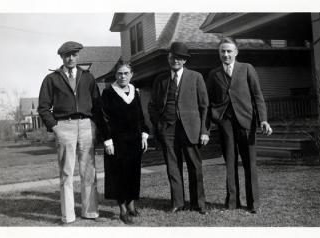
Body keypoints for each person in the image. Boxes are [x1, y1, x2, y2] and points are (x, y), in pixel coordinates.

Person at [206, 37, 273, 214]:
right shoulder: (214, 74)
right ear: (219, 53)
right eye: (222, 51)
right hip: (225, 122)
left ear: (236, 52)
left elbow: (257, 95)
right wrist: (212, 119)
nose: (226, 54)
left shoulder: (247, 69)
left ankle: (253, 203)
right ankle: (232, 202)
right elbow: (208, 101)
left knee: (250, 163)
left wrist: (263, 120)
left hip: (246, 121)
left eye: (229, 51)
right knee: (230, 162)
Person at [38, 41, 100, 224]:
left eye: (73, 54)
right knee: (66, 173)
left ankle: (90, 212)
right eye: (67, 55)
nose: (70, 58)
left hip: (87, 126)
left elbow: (97, 104)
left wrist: (94, 124)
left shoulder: (87, 77)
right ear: (61, 57)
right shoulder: (52, 79)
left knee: (88, 171)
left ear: (78, 56)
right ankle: (68, 216)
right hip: (64, 126)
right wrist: (55, 127)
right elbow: (43, 107)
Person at [148, 42, 209, 215]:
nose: (176, 60)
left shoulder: (196, 77)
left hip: (191, 128)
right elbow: (152, 105)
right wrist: (158, 124)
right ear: (168, 58)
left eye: (180, 58)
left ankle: (198, 203)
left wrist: (204, 130)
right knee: (172, 166)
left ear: (184, 61)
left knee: (194, 166)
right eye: (173, 57)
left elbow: (205, 106)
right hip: (168, 129)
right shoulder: (160, 79)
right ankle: (177, 202)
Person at [98, 61, 149, 225]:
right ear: (115, 75)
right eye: (120, 73)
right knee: (118, 174)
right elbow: (103, 119)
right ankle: (122, 210)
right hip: (116, 141)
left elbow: (140, 116)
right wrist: (107, 140)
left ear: (131, 75)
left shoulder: (135, 91)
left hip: (134, 140)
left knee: (133, 173)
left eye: (126, 73)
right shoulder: (108, 93)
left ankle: (132, 205)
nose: (123, 76)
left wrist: (144, 135)